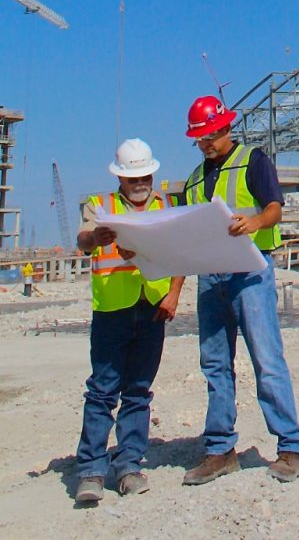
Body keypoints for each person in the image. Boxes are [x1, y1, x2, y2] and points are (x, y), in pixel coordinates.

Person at [166, 95, 299, 486]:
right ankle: (220, 451)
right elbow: (187, 239)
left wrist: (256, 221)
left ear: (226, 128)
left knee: (267, 358)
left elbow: (275, 207)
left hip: (250, 272)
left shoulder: (253, 161)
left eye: (211, 135)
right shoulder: (194, 180)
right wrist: (175, 289)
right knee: (214, 364)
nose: (207, 142)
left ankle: (290, 447)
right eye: (200, 138)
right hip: (210, 277)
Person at [74, 138, 176, 503]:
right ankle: (91, 470)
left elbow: (179, 255)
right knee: (102, 390)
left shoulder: (166, 205)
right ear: (120, 178)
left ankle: (129, 464)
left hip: (152, 305)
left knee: (137, 391)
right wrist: (94, 238)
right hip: (112, 309)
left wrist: (174, 294)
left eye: (145, 175)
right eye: (134, 177)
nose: (140, 182)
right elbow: (83, 239)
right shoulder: (101, 206)